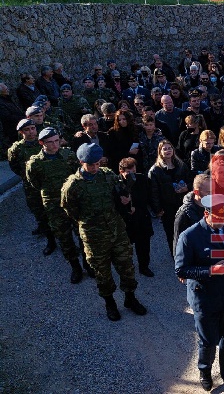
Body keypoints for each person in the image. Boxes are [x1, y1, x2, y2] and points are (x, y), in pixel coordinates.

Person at [61, 143, 147, 321]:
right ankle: (110, 303)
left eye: (97, 163)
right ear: (81, 162)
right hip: (94, 235)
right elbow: (71, 211)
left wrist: (125, 200)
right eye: (90, 164)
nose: (94, 168)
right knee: (102, 272)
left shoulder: (108, 175)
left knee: (127, 267)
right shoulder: (72, 186)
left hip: (117, 230)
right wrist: (90, 222)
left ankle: (130, 299)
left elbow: (119, 195)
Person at [175, 194, 224, 392]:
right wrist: (210, 271)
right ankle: (205, 371)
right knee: (208, 340)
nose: (223, 223)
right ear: (206, 213)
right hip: (205, 297)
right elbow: (181, 270)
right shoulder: (189, 236)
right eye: (219, 219)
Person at [25, 127, 88, 283]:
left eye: (57, 141)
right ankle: (75, 267)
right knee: (64, 237)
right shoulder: (35, 163)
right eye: (50, 142)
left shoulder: (68, 155)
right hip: (53, 205)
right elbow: (35, 184)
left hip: (73, 202)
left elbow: (78, 175)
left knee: (83, 233)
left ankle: (88, 264)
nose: (54, 145)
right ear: (41, 143)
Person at [8, 119, 53, 247]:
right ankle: (49, 238)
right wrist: (26, 176)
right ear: (21, 132)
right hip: (31, 186)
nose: (31, 132)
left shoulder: (43, 143)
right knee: (38, 210)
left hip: (48, 183)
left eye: (33, 128)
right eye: (27, 130)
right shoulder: (16, 149)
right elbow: (15, 166)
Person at [148, 140, 190, 256]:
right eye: (164, 149)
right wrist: (157, 209)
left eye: (169, 148)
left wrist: (187, 188)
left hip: (183, 204)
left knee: (186, 229)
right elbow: (153, 192)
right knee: (171, 232)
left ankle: (187, 252)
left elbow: (190, 182)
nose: (167, 151)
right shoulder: (155, 170)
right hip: (168, 207)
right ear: (160, 152)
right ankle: (176, 255)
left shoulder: (181, 165)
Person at [118, 157, 155, 277]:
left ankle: (144, 267)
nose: (131, 175)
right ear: (121, 171)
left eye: (133, 171)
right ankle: (127, 269)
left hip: (141, 217)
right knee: (124, 248)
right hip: (125, 221)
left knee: (144, 246)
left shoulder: (142, 179)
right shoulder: (116, 183)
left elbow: (148, 197)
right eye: (128, 172)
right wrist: (124, 204)